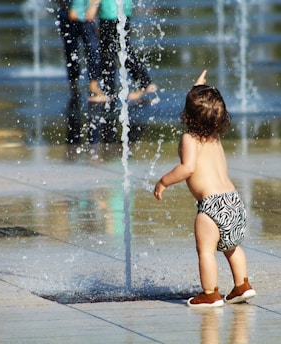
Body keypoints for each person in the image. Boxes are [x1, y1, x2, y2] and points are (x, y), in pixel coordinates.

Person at [154, 70, 256, 307]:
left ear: (187, 117)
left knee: (206, 252)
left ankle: (210, 294)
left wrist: (163, 181)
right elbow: (202, 107)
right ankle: (242, 285)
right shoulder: (214, 136)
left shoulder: (189, 139)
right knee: (232, 248)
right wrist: (198, 87)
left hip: (211, 207)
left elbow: (187, 168)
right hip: (233, 201)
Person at [98, 0, 157, 101]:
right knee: (122, 49)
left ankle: (109, 93)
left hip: (111, 10)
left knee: (109, 52)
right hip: (121, 8)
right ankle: (144, 82)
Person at [65, 0, 106, 101]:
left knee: (93, 50)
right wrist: (67, 9)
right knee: (71, 52)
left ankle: (93, 85)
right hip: (67, 16)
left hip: (87, 17)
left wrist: (93, 7)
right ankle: (74, 86)